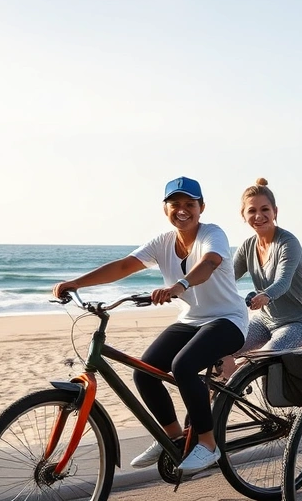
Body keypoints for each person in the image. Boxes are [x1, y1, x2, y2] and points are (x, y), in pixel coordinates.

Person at [52, 176, 248, 475]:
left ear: (201, 207)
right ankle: (173, 437)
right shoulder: (162, 242)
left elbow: (208, 263)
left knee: (183, 365)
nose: (182, 210)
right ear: (165, 209)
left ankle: (208, 445)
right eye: (175, 205)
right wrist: (76, 283)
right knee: (144, 371)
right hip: (191, 320)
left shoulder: (212, 234)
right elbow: (123, 266)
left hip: (228, 320)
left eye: (189, 204)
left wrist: (179, 285)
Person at [221, 178, 302, 377]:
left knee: (258, 358)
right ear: (243, 215)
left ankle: (232, 386)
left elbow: (283, 281)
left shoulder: (288, 243)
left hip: (300, 321)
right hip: (265, 320)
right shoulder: (247, 247)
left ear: (275, 211)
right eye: (251, 211)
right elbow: (227, 278)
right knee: (222, 349)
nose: (258, 216)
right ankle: (218, 400)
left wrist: (265, 296)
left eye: (265, 209)